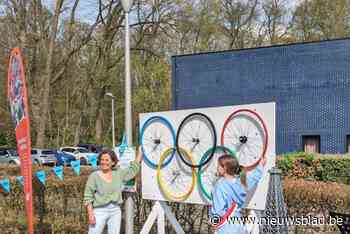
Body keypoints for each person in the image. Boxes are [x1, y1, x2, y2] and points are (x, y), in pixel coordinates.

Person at [83, 146, 142, 234]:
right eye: (102, 160)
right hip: (99, 211)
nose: (104, 162)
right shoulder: (94, 176)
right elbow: (88, 197)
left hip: (115, 210)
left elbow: (132, 171)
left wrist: (140, 154)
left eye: (107, 160)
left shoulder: (118, 174)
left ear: (113, 162)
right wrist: (91, 215)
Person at [210, 155, 265, 234]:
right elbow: (254, 177)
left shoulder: (219, 186)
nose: (217, 168)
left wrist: (213, 222)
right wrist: (261, 165)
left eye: (218, 165)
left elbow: (218, 211)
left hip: (225, 228)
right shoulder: (241, 182)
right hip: (238, 226)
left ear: (224, 168)